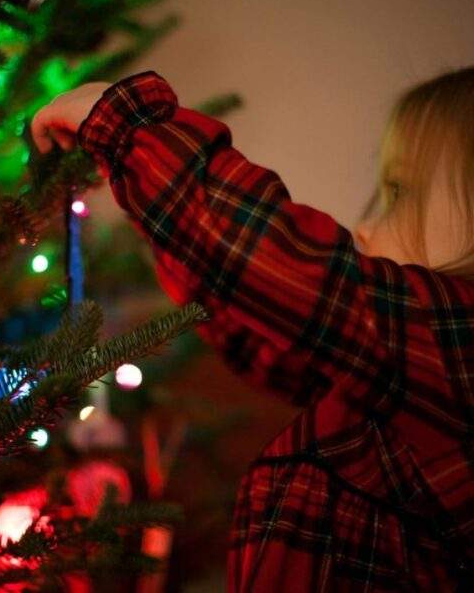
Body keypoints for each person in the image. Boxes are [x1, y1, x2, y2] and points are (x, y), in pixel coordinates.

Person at [31, 67, 474, 592]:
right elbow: (257, 329)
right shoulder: (395, 385)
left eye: (399, 193)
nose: (366, 225)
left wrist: (124, 129)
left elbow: (281, 265)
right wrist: (146, 195)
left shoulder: (458, 351)